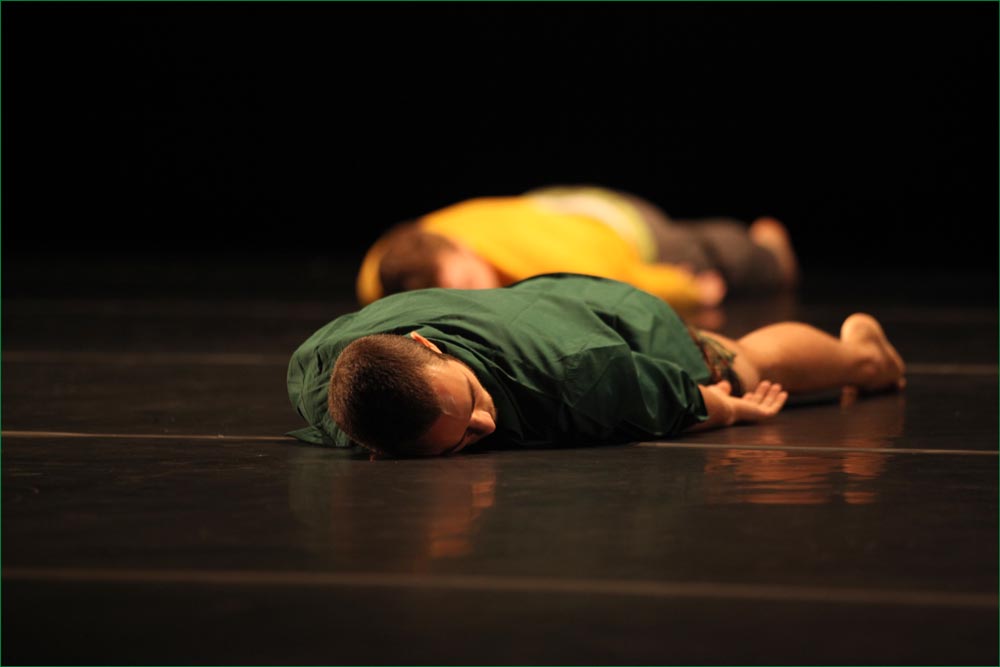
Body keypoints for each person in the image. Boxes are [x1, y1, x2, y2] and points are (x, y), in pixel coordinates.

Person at [288, 274, 905, 458]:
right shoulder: (316, 374)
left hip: (604, 319)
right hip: (525, 308)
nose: (486, 423)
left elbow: (672, 399)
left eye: (472, 399)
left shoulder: (580, 370)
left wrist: (725, 408)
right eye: (461, 441)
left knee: (736, 363)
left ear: (428, 347)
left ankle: (865, 356)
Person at [355, 185, 799, 310]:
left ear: (464, 250)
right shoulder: (411, 248)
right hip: (553, 206)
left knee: (710, 256)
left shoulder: (538, 258)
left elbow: (612, 282)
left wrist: (687, 292)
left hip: (617, 227)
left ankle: (769, 249)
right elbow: (376, 267)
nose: (478, 298)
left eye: (471, 282)